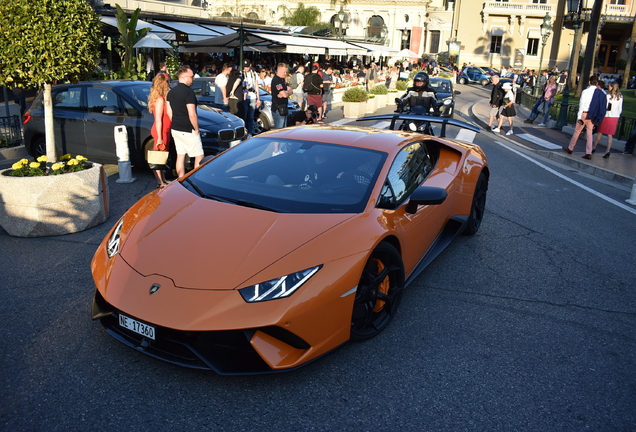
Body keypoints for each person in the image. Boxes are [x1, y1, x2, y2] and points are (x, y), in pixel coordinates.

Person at [166, 65, 204, 178]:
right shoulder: (189, 93)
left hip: (176, 128)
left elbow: (169, 112)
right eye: (192, 77)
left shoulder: (171, 92)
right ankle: (197, 178)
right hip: (188, 128)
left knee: (180, 155)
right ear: (184, 77)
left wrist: (176, 121)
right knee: (199, 155)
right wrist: (196, 128)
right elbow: (192, 113)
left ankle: (180, 179)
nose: (193, 79)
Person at [563, 75, 606, 159]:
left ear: (589, 82)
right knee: (589, 134)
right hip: (592, 115)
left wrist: (579, 117)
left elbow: (581, 104)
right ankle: (588, 152)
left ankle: (571, 148)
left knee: (577, 131)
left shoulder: (585, 91)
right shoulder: (600, 93)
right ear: (597, 83)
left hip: (584, 113)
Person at [148, 73, 171, 188]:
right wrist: (160, 138)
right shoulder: (160, 99)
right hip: (160, 131)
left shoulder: (160, 98)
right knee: (157, 156)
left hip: (163, 130)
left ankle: (162, 179)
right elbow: (158, 119)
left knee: (161, 156)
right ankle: (159, 181)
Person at [593, 81, 623, 158]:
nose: (608, 87)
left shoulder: (607, 96)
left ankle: (594, 147)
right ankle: (608, 150)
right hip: (614, 117)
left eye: (609, 86)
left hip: (606, 116)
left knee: (600, 133)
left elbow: (604, 107)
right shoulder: (620, 97)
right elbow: (620, 109)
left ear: (612, 87)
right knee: (610, 135)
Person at [242, 59, 261, 137]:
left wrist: (258, 98)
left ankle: (249, 132)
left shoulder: (254, 74)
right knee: (244, 115)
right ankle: (244, 132)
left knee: (250, 116)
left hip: (252, 96)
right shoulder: (242, 74)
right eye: (245, 67)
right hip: (245, 96)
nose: (246, 68)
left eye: (247, 66)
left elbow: (256, 86)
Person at [271, 62, 291, 129]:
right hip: (278, 108)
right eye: (284, 72)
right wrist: (286, 93)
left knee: (284, 130)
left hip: (284, 107)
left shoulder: (282, 80)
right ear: (279, 71)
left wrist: (286, 92)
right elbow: (284, 95)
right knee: (279, 130)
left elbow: (291, 90)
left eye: (286, 72)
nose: (285, 74)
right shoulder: (276, 80)